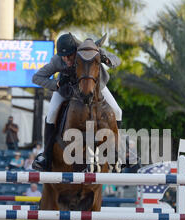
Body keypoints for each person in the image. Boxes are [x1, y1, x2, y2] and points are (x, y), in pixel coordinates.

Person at [31, 33, 122, 171]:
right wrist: (56, 84)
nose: (66, 59)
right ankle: (46, 155)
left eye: (69, 55)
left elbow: (117, 60)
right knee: (51, 114)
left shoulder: (88, 51)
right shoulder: (57, 61)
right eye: (63, 56)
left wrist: (107, 59)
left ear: (76, 51)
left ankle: (117, 149)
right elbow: (37, 78)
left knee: (117, 110)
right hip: (66, 91)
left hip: (95, 88)